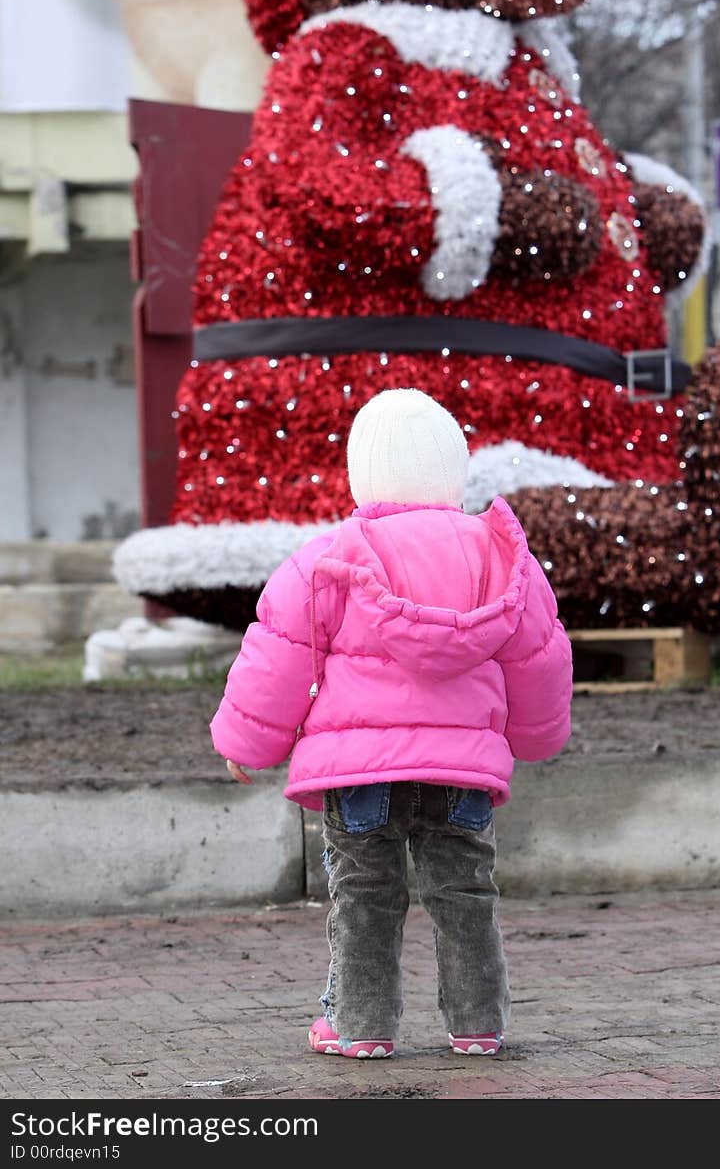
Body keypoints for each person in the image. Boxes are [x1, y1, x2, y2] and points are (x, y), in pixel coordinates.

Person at [211, 387, 573, 1059]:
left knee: (366, 898)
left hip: (359, 773)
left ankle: (361, 1027)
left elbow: (276, 658)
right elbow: (539, 658)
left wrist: (248, 744)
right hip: (461, 771)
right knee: (465, 894)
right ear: (455, 472)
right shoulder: (502, 560)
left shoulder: (329, 556)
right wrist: (536, 737)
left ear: (361, 474)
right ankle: (477, 1025)